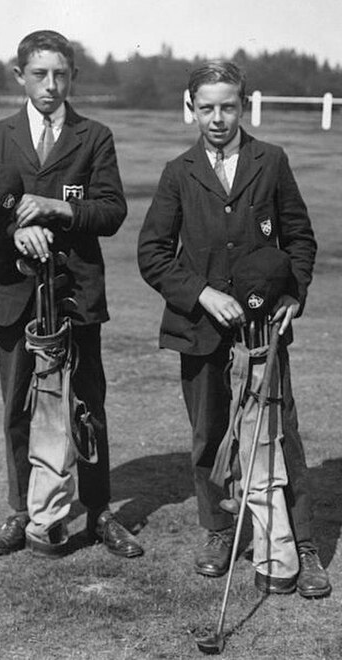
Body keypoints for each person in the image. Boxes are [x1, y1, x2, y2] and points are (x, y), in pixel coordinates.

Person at [137, 60, 330, 597]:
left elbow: (299, 239)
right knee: (209, 436)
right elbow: (152, 253)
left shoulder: (272, 161)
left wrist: (294, 292)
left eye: (228, 106)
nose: (217, 118)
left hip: (263, 331)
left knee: (279, 436)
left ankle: (303, 543)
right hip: (198, 330)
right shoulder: (179, 171)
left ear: (243, 105)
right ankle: (219, 531)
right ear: (190, 108)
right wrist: (201, 293)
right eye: (207, 107)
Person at [0, 30, 143, 560]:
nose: (51, 84)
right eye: (39, 74)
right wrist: (13, 232)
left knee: (88, 403)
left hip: (76, 292)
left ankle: (100, 509)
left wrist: (56, 209)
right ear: (20, 76)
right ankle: (24, 511)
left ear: (73, 77)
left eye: (61, 74)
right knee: (18, 406)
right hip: (13, 293)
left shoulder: (93, 135)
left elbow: (111, 211)